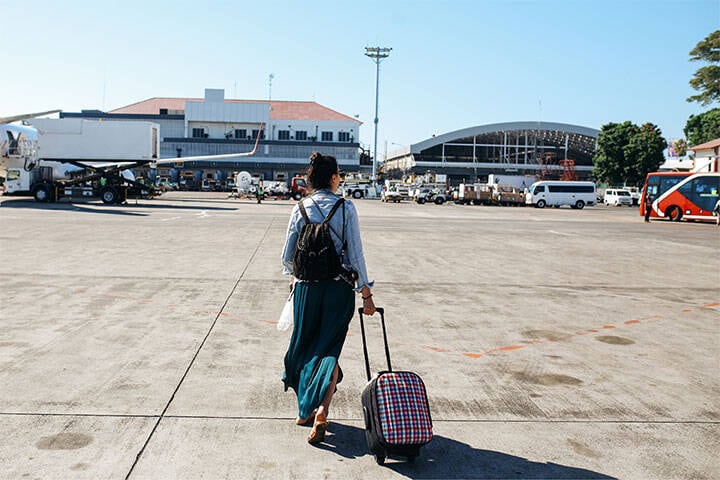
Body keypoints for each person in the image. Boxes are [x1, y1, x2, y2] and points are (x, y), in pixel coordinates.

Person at [281, 152, 376, 444]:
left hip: (306, 290)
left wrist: (300, 277)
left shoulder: (300, 208)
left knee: (304, 348)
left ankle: (304, 411)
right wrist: (366, 292)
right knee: (329, 349)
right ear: (334, 178)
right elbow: (356, 254)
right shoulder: (346, 208)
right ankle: (321, 411)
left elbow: (287, 258)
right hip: (338, 291)